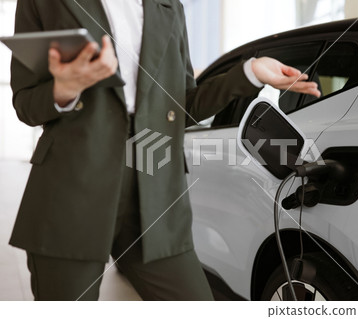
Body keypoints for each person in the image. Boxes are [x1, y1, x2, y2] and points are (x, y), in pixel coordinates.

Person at [9, 0, 321, 301]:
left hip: (155, 186)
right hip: (73, 189)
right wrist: (65, 88)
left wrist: (250, 72)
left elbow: (182, 106)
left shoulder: (169, 6)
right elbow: (26, 104)